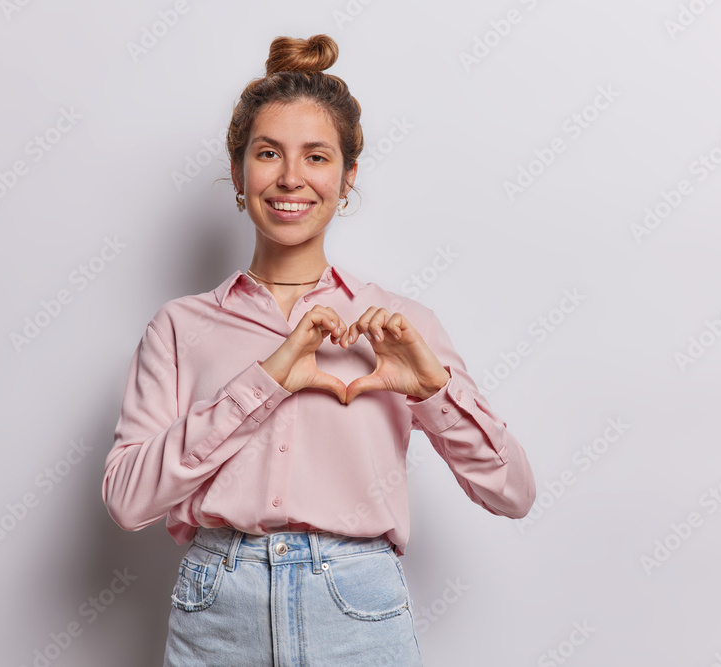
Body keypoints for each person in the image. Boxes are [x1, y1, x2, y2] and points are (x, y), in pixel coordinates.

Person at [102, 33, 537, 666]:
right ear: (236, 171)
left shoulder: (398, 325)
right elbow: (126, 501)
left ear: (347, 176)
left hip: (355, 607)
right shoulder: (177, 328)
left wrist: (433, 389)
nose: (290, 178)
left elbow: (513, 492)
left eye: (317, 157)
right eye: (269, 153)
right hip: (217, 609)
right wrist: (265, 382)